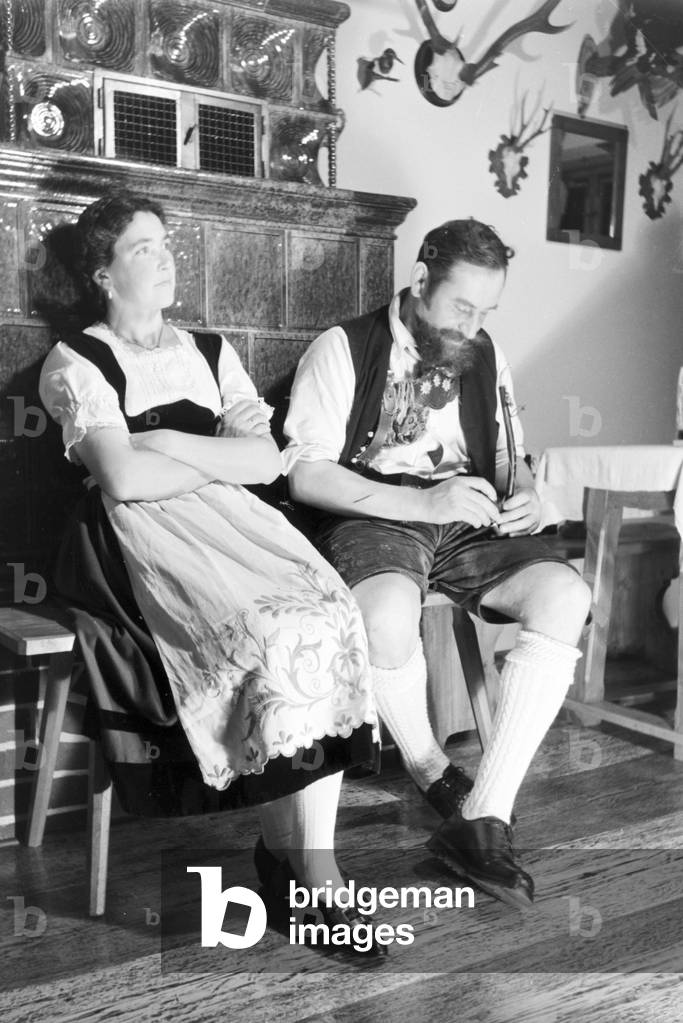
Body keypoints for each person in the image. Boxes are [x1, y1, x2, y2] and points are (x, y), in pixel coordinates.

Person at [39, 191, 382, 950]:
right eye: (142, 248)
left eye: (166, 244)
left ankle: (300, 858)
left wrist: (162, 442)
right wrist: (192, 457)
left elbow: (263, 461)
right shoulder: (76, 362)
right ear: (102, 270)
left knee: (329, 610)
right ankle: (308, 871)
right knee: (263, 629)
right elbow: (121, 483)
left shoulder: (210, 350)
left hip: (237, 524)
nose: (164, 259)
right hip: (139, 541)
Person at [284, 218, 592, 909]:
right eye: (461, 307)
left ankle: (484, 817)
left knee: (565, 595)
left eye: (486, 312)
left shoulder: (484, 353)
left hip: (467, 519)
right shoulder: (342, 348)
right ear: (419, 280)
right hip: (376, 513)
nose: (472, 326)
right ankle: (428, 767)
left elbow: (511, 456)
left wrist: (528, 493)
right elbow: (307, 476)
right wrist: (420, 504)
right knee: (386, 612)